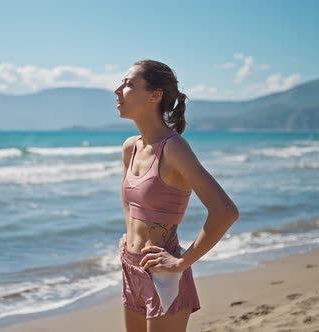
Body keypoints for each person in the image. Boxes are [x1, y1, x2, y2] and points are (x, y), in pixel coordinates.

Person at [114, 59, 239, 332]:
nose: (118, 90)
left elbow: (226, 211)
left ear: (155, 95)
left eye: (128, 84)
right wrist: (128, 236)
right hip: (130, 267)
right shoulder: (130, 148)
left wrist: (182, 262)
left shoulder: (174, 149)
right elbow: (129, 200)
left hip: (164, 274)